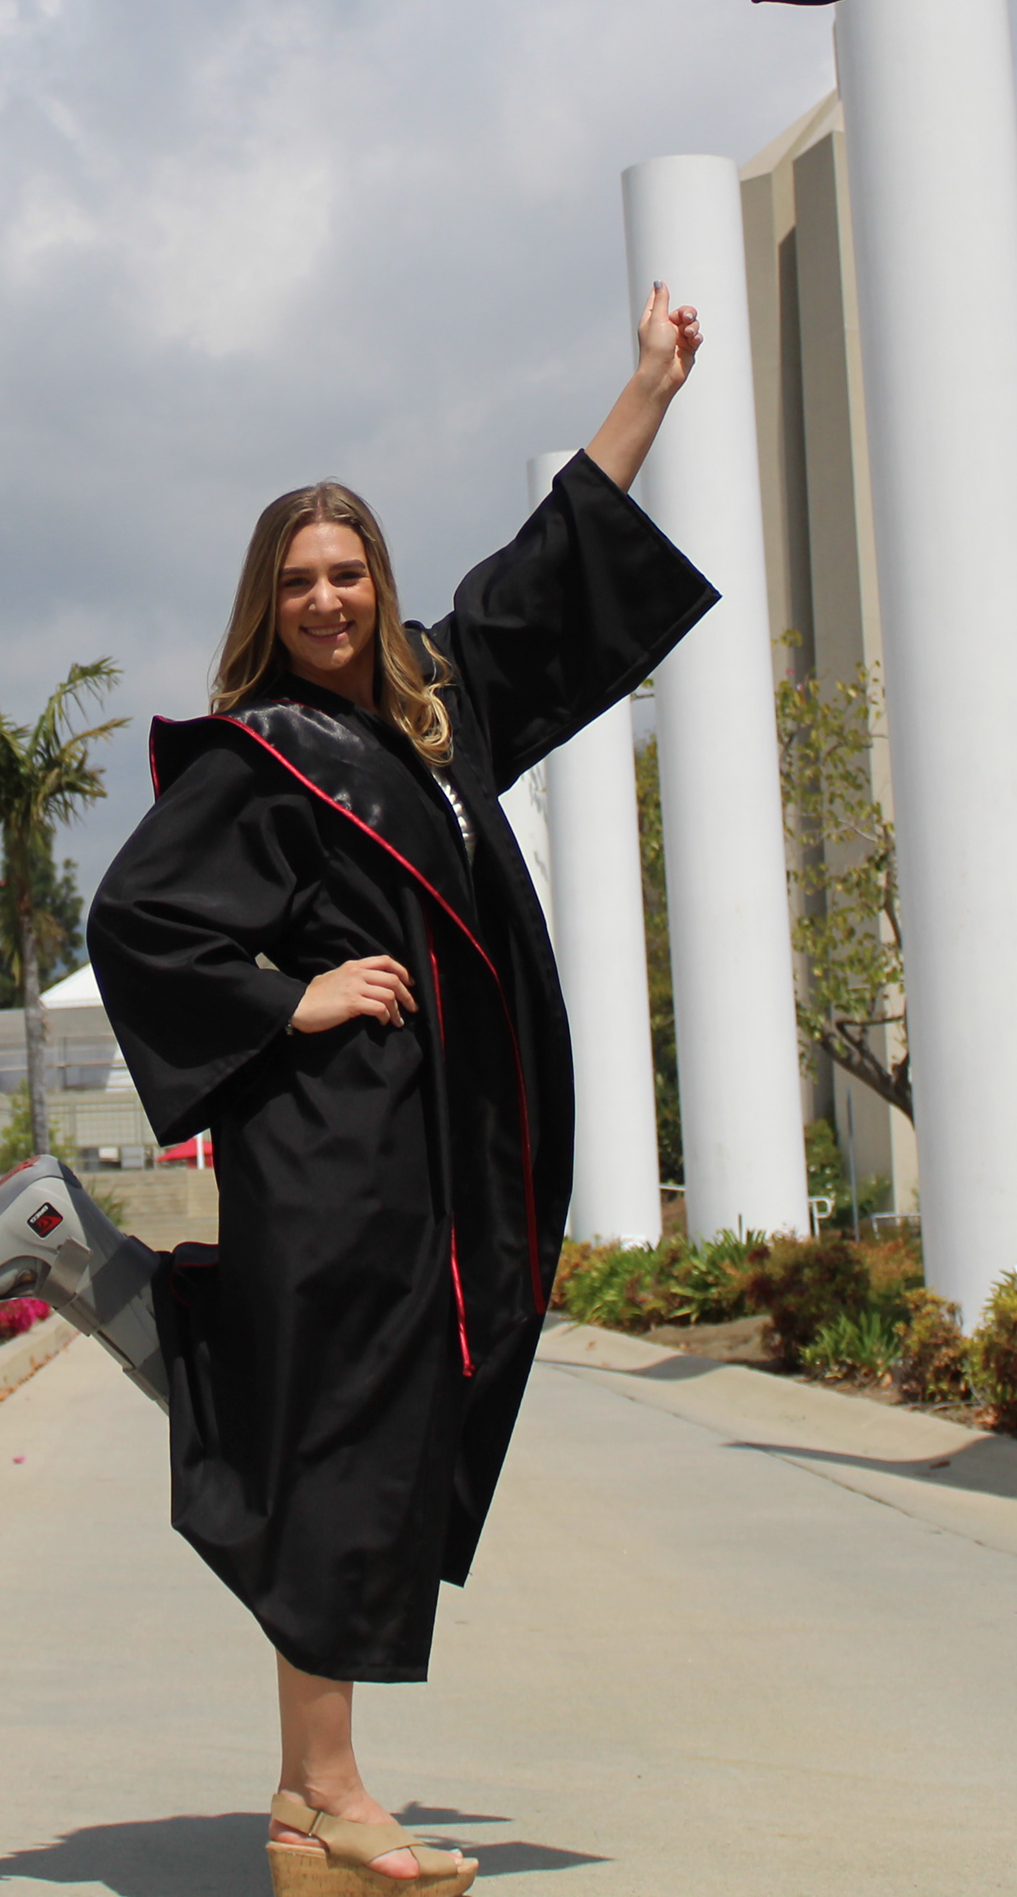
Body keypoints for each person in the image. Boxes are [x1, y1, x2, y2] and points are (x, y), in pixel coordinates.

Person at [86, 287, 719, 1894]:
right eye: (299, 580)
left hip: (431, 1155)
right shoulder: (261, 755)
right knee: (339, 1437)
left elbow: (548, 564)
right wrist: (291, 999)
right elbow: (140, 920)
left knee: (373, 1431)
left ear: (378, 582)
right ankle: (331, 1792)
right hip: (333, 1149)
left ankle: (310, 1790)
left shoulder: (434, 714)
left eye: (348, 572)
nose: (327, 598)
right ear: (268, 600)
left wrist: (648, 390)